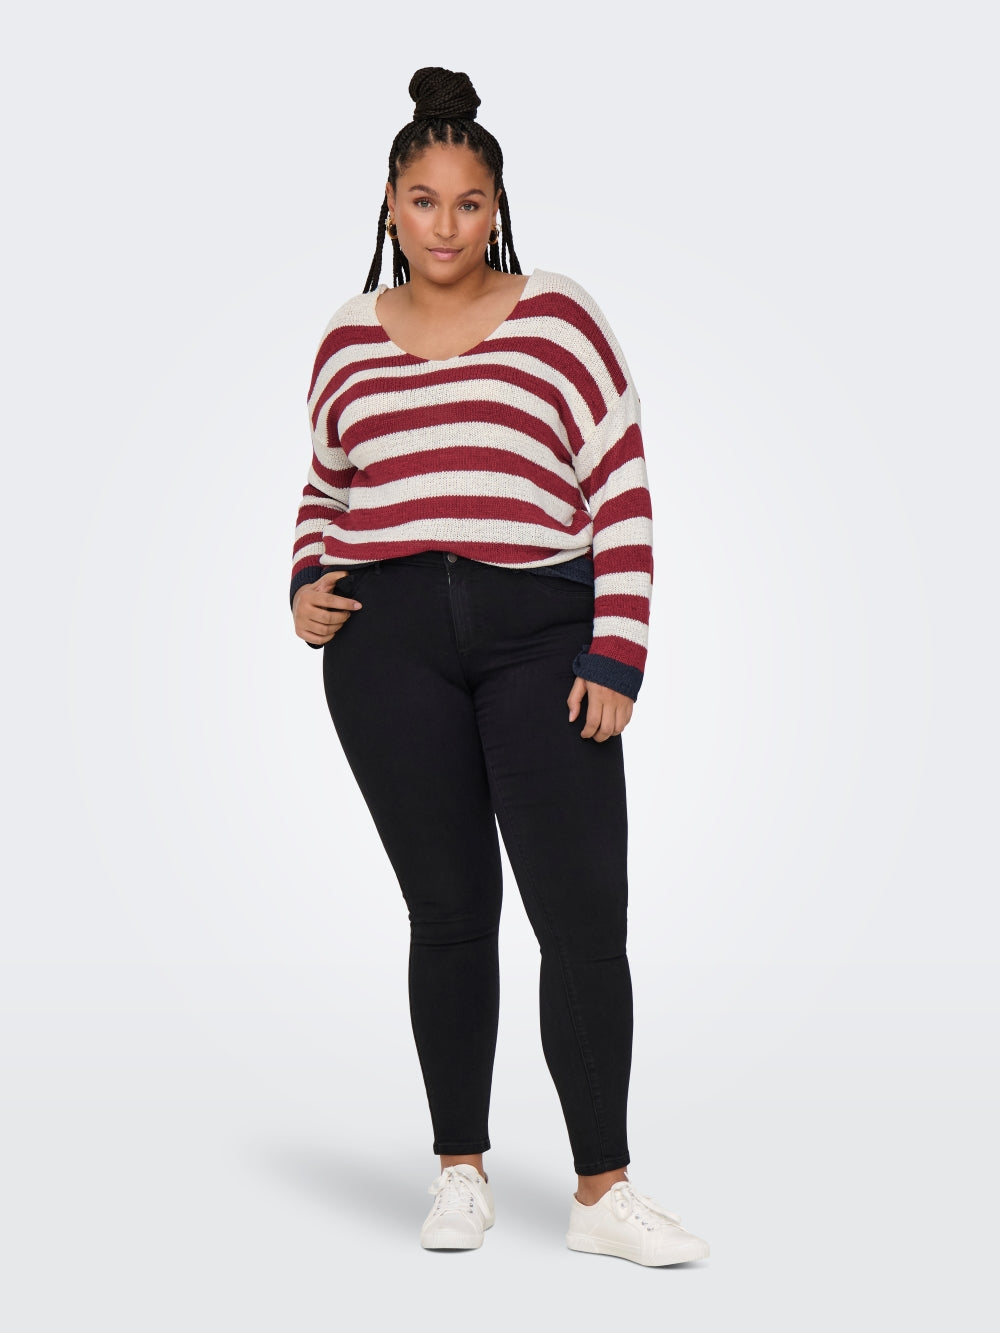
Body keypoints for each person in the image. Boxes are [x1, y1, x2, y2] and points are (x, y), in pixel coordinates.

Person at [289, 66, 710, 1267]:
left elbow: (620, 485)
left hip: (542, 636)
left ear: (497, 207)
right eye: (422, 201)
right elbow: (326, 482)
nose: (445, 226)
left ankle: (601, 1190)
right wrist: (303, 581)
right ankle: (459, 1170)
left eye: (467, 203)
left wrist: (617, 650)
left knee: (580, 911)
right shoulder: (344, 335)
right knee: (449, 911)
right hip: (386, 648)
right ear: (389, 203)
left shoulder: (558, 317)